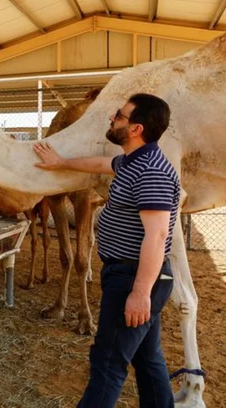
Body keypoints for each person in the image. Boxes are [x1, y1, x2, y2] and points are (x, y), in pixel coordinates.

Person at [33, 93, 178, 408]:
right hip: (128, 274)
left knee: (108, 361)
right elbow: (100, 163)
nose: (112, 118)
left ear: (136, 128)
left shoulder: (150, 170)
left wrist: (139, 292)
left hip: (134, 277)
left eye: (119, 116)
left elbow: (157, 236)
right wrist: (60, 162)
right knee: (148, 359)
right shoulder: (132, 161)